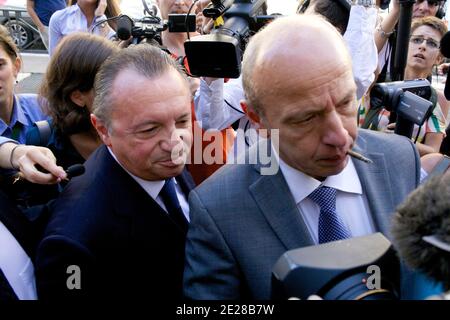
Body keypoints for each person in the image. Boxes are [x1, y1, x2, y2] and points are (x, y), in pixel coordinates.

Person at [183, 15, 421, 300]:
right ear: (257, 120)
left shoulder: (401, 159)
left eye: (346, 103)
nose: (340, 136)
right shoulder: (219, 209)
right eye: (307, 118)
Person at [35, 45, 195, 300]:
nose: (175, 142)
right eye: (149, 129)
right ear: (103, 129)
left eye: (182, 121)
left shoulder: (154, 161)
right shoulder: (73, 243)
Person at [194, 0, 379, 163]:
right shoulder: (267, 67)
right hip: (259, 181)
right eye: (305, 26)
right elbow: (213, 120)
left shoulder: (343, 78)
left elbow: (358, 77)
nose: (308, 40)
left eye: (322, 35)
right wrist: (213, 62)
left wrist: (364, 6)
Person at [363, 16, 449, 156]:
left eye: (432, 43)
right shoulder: (378, 83)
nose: (423, 46)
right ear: (404, 45)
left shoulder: (432, 102)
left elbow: (434, 152)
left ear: (439, 58)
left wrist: (405, 140)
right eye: (417, 40)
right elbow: (366, 56)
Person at [48, 0, 121, 55]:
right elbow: (54, 60)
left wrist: (100, 18)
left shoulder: (113, 21)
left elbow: (114, 56)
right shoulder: (59, 18)